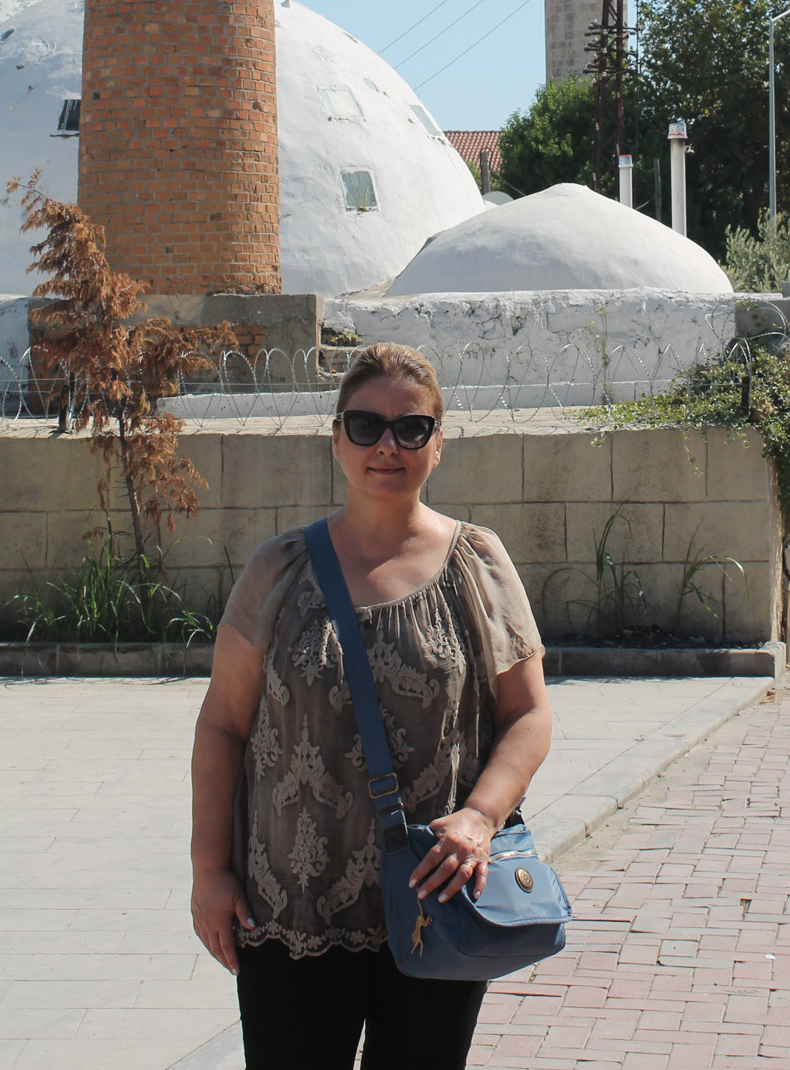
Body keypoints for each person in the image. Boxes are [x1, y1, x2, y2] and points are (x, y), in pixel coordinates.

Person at [190, 342, 552, 1070]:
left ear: (438, 444)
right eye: (365, 425)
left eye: (410, 428)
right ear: (336, 438)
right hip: (287, 908)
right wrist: (208, 870)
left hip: (438, 897)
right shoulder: (278, 569)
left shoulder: (476, 564)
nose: (387, 444)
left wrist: (480, 817)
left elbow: (528, 714)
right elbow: (223, 725)